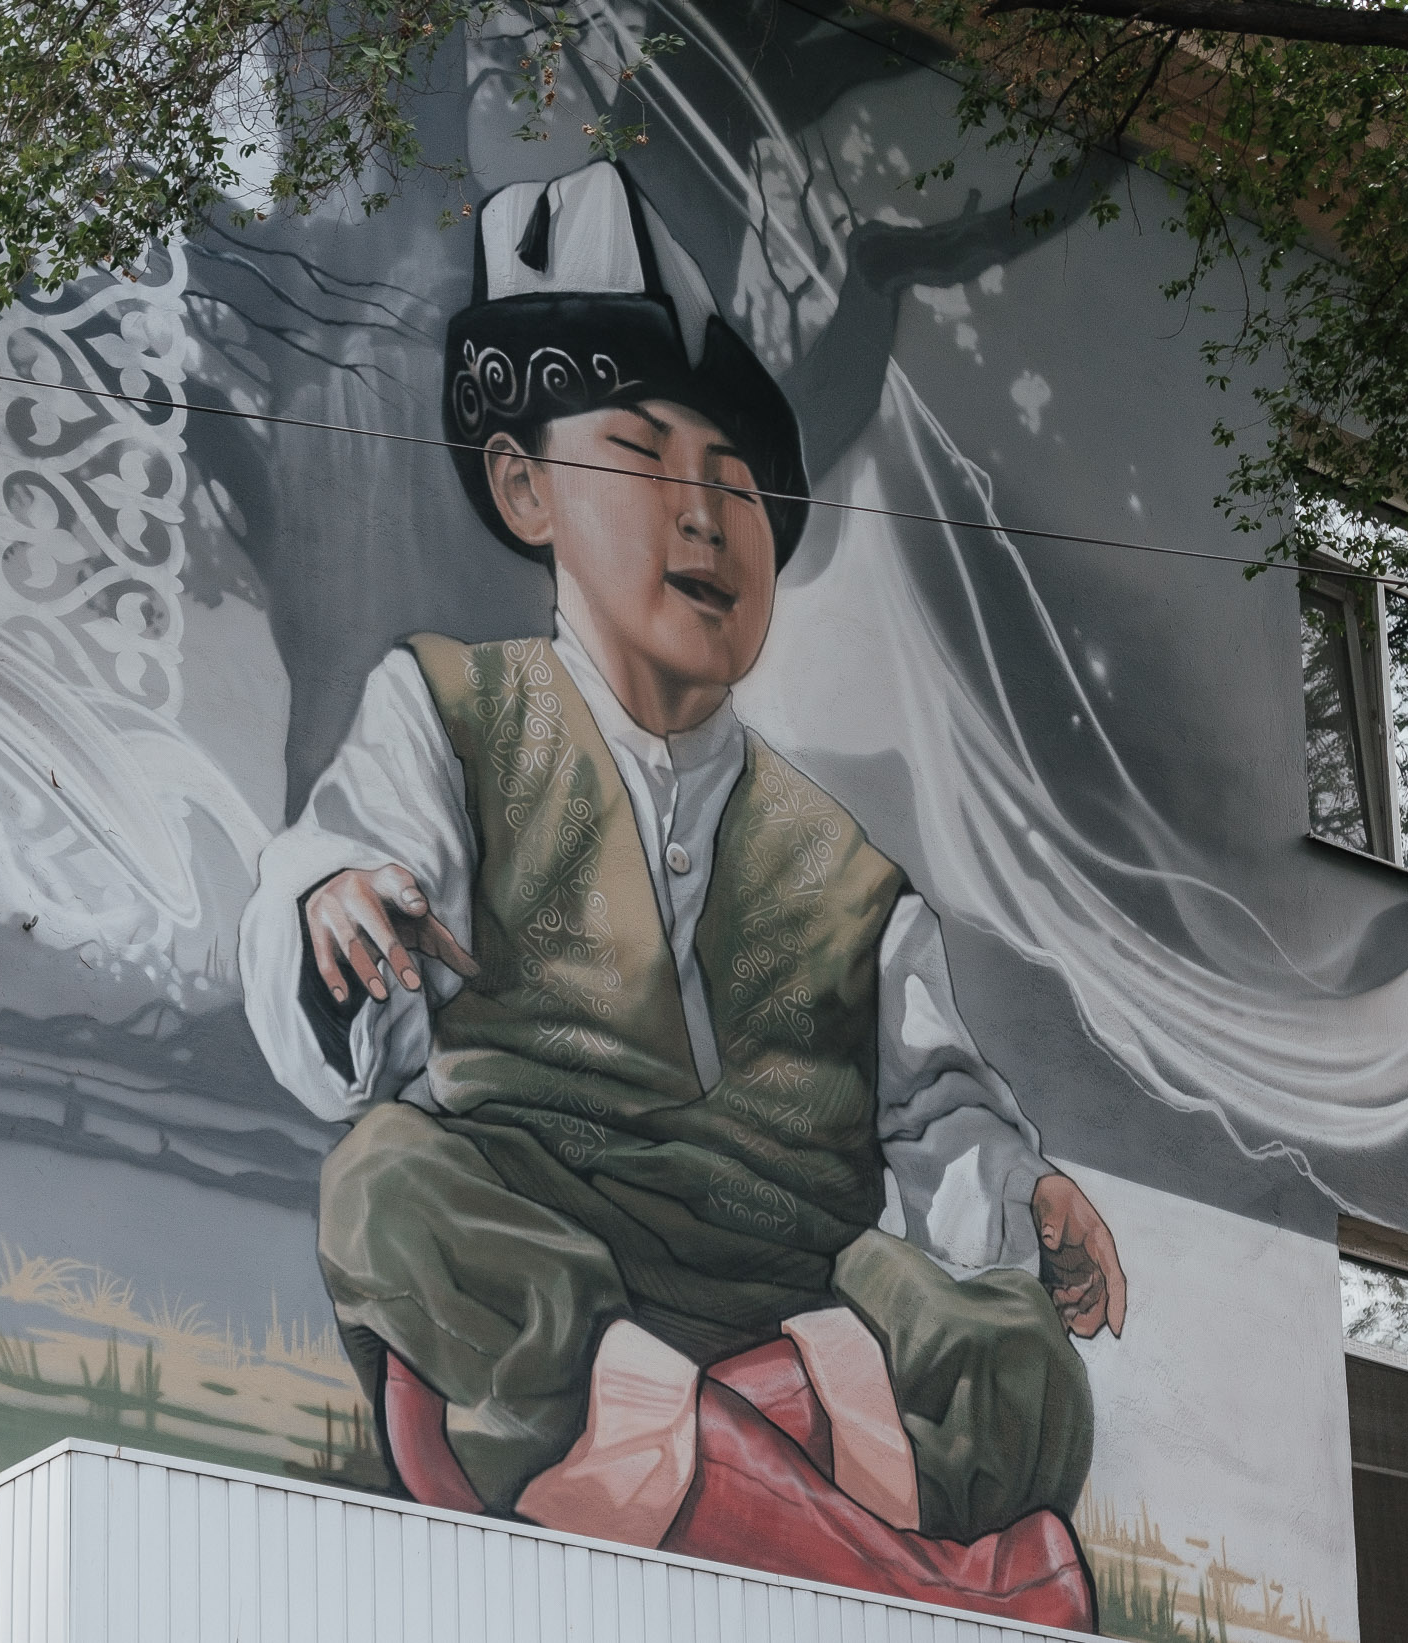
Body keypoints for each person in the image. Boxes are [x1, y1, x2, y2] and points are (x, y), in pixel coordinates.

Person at [238, 161, 1125, 1623]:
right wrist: (334, 904)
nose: (707, 516)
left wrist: (1027, 1195)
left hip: (799, 1291)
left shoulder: (851, 873)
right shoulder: (451, 712)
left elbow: (935, 1111)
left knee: (1018, 1361)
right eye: (648, 459)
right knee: (387, 1181)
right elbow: (343, 910)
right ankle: (741, 1475)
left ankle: (715, 1464)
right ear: (524, 488)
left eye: (740, 486)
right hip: (551, 1262)